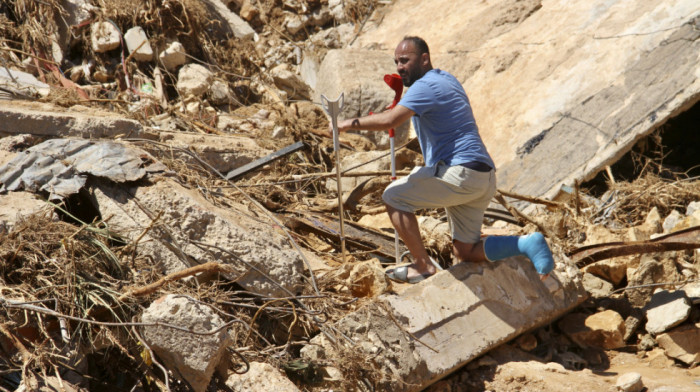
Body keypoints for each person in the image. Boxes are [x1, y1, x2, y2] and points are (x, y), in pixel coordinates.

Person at [332, 36, 555, 283]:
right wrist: (398, 106)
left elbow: (390, 121)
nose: (399, 67)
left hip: (459, 173)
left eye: (405, 60)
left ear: (424, 59)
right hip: (482, 177)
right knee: (465, 251)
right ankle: (527, 244)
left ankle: (423, 265)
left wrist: (345, 124)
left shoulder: (424, 86)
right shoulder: (447, 79)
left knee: (394, 197)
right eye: (396, 61)